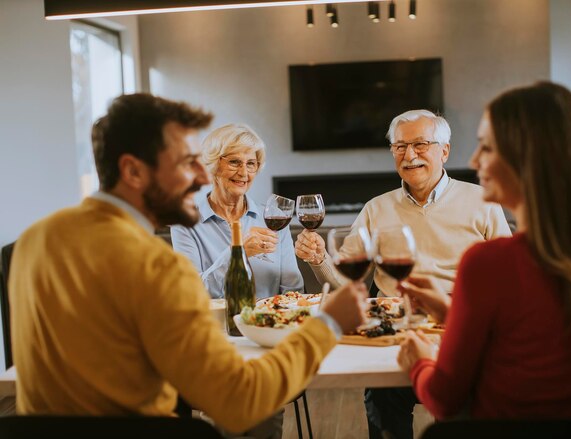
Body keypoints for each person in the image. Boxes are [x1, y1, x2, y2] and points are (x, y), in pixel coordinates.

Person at [9, 93, 367, 435]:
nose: (200, 176)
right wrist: (329, 323)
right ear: (133, 171)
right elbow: (240, 401)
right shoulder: (158, 267)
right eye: (186, 163)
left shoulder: (35, 240)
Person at [397, 81, 571, 420]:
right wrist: (452, 312)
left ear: (528, 160)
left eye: (486, 148)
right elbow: (537, 340)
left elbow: (444, 399)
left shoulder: (490, 263)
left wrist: (419, 364)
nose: (474, 160)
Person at [295, 109, 511, 438]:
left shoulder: (482, 202)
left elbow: (506, 277)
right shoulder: (376, 208)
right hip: (392, 328)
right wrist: (319, 258)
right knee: (383, 400)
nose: (409, 155)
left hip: (460, 325)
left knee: (466, 407)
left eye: (420, 144)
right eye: (400, 147)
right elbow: (346, 283)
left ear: (445, 150)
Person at [171, 123, 303, 300]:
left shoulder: (274, 218)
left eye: (251, 164)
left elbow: (293, 290)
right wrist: (238, 253)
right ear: (212, 165)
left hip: (270, 323)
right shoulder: (185, 223)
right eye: (234, 162)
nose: (244, 173)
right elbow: (191, 293)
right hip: (216, 326)